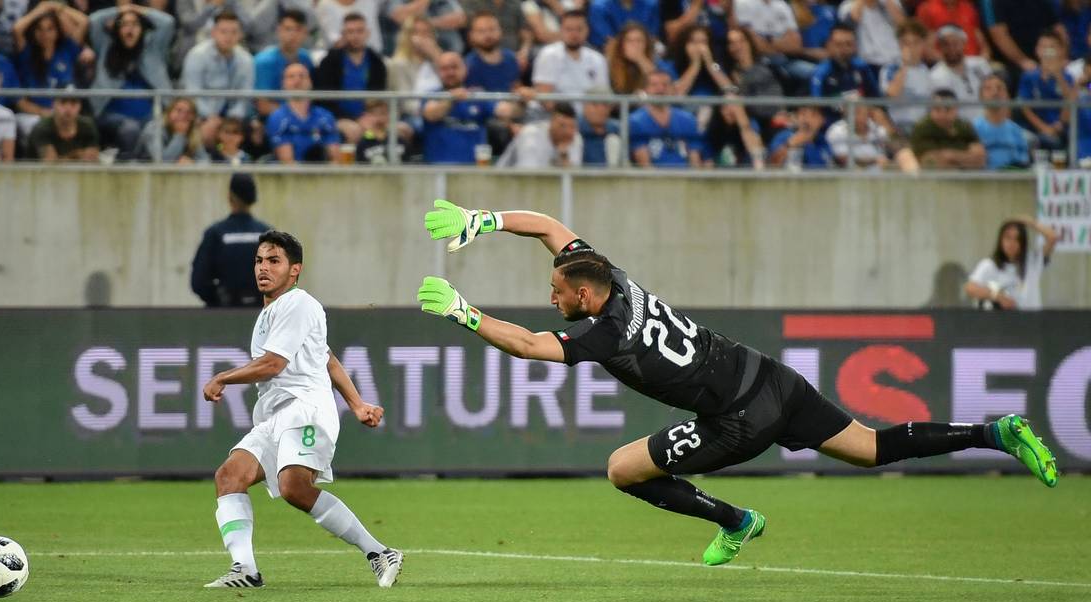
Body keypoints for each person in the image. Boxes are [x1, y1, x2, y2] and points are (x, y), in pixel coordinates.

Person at [415, 201, 1058, 567]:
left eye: (556, 291)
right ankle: (994, 432)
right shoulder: (611, 273)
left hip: (740, 419)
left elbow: (530, 346)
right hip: (769, 374)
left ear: (584, 293)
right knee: (875, 448)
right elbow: (552, 228)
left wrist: (464, 313)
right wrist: (483, 221)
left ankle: (735, 519)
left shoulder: (609, 334)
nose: (548, 294)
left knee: (620, 468)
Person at [203, 229, 402, 589]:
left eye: (274, 261)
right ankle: (244, 569)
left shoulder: (298, 304)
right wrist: (357, 405)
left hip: (305, 409)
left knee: (293, 486)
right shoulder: (273, 312)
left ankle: (379, 552)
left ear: (295, 270)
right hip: (275, 415)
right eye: (259, 260)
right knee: (229, 477)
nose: (263, 267)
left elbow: (272, 365)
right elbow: (327, 358)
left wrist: (222, 378)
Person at [87, 5, 175, 160]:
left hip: (150, 115)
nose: (130, 29)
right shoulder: (105, 46)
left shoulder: (153, 49)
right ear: (117, 29)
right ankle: (127, 167)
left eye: (135, 24)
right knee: (130, 128)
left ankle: (151, 167)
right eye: (125, 25)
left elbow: (167, 22)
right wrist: (121, 9)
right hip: (111, 115)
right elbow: (94, 20)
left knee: (154, 130)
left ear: (142, 28)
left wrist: (134, 8)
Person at [191, 174, 271, 308]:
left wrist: (218, 299)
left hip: (223, 315)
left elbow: (198, 282)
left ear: (230, 197)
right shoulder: (267, 234)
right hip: (260, 315)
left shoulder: (215, 234)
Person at [182, 10, 255, 143]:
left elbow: (245, 96)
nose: (229, 37)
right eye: (223, 31)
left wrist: (232, 119)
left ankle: (240, 160)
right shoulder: (197, 55)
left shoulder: (246, 59)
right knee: (207, 131)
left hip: (234, 118)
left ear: (240, 34)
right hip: (203, 115)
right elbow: (193, 95)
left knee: (255, 130)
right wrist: (212, 118)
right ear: (213, 33)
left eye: (234, 32)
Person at [314, 13, 388, 142]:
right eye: (350, 31)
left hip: (368, 116)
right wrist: (353, 119)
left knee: (398, 130)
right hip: (336, 117)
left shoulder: (377, 62)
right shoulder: (330, 62)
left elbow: (378, 98)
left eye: (359, 31)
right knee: (355, 131)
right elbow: (325, 100)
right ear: (343, 34)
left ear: (367, 33)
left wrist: (372, 117)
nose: (355, 36)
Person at [13, 1, 89, 122]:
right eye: (40, 29)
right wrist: (40, 9)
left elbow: (84, 21)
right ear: (34, 32)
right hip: (35, 115)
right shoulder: (27, 53)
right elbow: (17, 28)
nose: (45, 34)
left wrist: (55, 7)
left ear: (57, 31)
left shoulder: (67, 50)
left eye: (50, 29)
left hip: (66, 114)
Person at [963, 217, 1059, 310]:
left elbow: (1053, 237)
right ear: (1000, 240)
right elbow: (970, 288)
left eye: (1017, 239)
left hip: (1032, 321)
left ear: (1022, 243)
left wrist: (1029, 222)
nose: (1011, 243)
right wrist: (998, 296)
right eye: (1007, 238)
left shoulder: (1033, 261)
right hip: (1004, 322)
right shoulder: (989, 265)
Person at [420, 52, 497, 164]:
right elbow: (431, 114)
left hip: (475, 169)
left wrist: (522, 100)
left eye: (455, 67)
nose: (450, 72)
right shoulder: (431, 96)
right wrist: (451, 100)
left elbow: (506, 110)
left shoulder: (478, 96)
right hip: (438, 171)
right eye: (445, 69)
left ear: (465, 69)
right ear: (438, 72)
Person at [531, 10, 610, 112]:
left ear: (587, 30)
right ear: (561, 30)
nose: (574, 34)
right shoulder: (548, 55)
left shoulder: (598, 59)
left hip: (589, 119)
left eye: (579, 29)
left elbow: (603, 97)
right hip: (555, 117)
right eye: (569, 29)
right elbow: (546, 99)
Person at [267, 63, 342, 163]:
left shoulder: (325, 116)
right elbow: (288, 162)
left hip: (324, 175)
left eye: (302, 76)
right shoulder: (277, 118)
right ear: (283, 84)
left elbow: (335, 158)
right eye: (291, 77)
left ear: (310, 82)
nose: (297, 81)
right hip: (292, 176)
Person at [628, 69, 704, 167]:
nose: (660, 89)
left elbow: (695, 161)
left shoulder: (688, 119)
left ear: (672, 89)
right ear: (646, 89)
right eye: (654, 85)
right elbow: (645, 166)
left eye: (665, 85)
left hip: (685, 179)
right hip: (653, 180)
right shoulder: (635, 121)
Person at [1017, 30, 1074, 152]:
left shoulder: (1068, 77)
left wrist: (1058, 75)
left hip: (1061, 129)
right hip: (1035, 128)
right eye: (1043, 46)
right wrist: (1044, 128)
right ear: (1037, 50)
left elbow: (1070, 104)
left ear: (1061, 51)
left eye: (1052, 47)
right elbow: (1024, 107)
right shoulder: (1029, 76)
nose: (1047, 51)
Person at [254, 10, 316, 118]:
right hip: (270, 118)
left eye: (298, 29)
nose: (293, 34)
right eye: (288, 29)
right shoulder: (264, 61)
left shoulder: (306, 58)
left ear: (305, 33)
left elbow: (308, 95)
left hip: (301, 115)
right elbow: (263, 105)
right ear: (279, 31)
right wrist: (295, 115)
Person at [929, 24, 993, 122]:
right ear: (940, 47)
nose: (951, 48)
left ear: (964, 43)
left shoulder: (981, 65)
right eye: (946, 44)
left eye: (955, 43)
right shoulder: (934, 76)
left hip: (989, 123)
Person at [909, 88, 985, 169]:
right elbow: (930, 162)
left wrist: (951, 156)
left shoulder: (964, 126)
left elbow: (980, 159)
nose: (942, 114)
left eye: (947, 109)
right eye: (937, 109)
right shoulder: (922, 128)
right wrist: (964, 158)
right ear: (931, 109)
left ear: (956, 109)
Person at [880, 19, 932, 134]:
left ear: (923, 44)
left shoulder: (928, 72)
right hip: (898, 128)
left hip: (923, 129)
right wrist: (905, 66)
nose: (911, 47)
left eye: (916, 42)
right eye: (906, 43)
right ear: (899, 44)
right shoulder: (890, 68)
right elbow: (892, 95)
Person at [497, 101, 582, 167]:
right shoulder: (530, 135)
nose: (567, 131)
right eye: (562, 125)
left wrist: (564, 156)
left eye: (572, 126)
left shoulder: (575, 138)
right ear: (551, 122)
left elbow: (574, 180)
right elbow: (528, 177)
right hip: (505, 182)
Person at [973, 73, 1030, 169]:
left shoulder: (1016, 131)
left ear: (1007, 96)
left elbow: (1023, 163)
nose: (995, 92)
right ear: (981, 97)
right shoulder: (973, 129)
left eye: (999, 88)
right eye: (988, 89)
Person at [29, 88, 100, 162]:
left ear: (80, 106)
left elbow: (91, 160)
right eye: (63, 102)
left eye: (73, 103)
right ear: (53, 104)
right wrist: (76, 155)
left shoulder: (88, 126)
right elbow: (51, 164)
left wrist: (65, 158)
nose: (68, 108)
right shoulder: (42, 128)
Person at [836, 0, 906, 74]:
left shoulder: (892, 2)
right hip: (867, 63)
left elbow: (903, 27)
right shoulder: (847, 5)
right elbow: (853, 19)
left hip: (894, 61)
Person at [136, 97, 208, 163]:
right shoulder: (153, 129)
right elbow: (162, 162)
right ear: (169, 112)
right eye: (178, 111)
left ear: (193, 117)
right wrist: (180, 135)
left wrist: (193, 163)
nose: (183, 116)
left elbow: (205, 160)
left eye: (188, 112)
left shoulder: (193, 132)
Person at [913, 0, 989, 61]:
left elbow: (980, 39)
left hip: (975, 62)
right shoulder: (927, 9)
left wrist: (984, 58)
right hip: (946, 65)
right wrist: (952, 62)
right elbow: (926, 48)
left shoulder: (968, 7)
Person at [388, 0, 469, 53]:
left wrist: (429, 23)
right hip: (411, 53)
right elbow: (398, 17)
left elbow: (460, 19)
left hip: (448, 53)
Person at [767, 104, 832, 168]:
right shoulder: (784, 136)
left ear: (822, 120)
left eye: (813, 115)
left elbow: (828, 168)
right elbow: (771, 165)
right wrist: (788, 145)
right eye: (803, 114)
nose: (806, 119)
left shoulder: (822, 140)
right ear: (796, 117)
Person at [588, 0, 662, 50]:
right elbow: (610, 42)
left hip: (645, 51)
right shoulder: (599, 7)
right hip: (610, 55)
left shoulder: (651, 4)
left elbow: (653, 36)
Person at [578, 91, 624, 167]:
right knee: (576, 138)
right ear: (584, 106)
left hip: (609, 176)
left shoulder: (617, 128)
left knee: (613, 140)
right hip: (578, 176)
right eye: (594, 104)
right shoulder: (575, 127)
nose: (601, 109)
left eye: (605, 105)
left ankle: (614, 173)